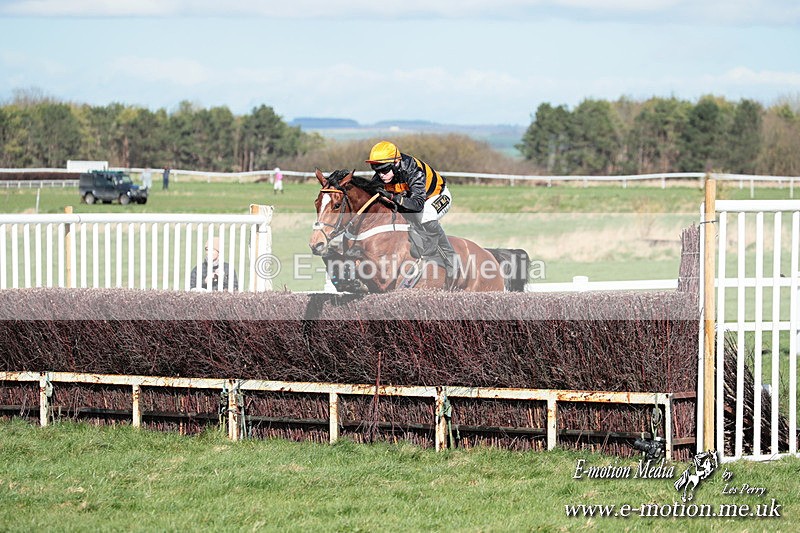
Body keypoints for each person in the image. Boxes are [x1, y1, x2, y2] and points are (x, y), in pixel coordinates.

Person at [365, 140, 456, 283]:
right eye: (376, 170)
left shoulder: (413, 170)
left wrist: (393, 197)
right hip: (411, 200)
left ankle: (451, 259)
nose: (381, 175)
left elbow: (418, 205)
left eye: (384, 170)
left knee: (426, 216)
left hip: (436, 197)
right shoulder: (380, 176)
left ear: (395, 163)